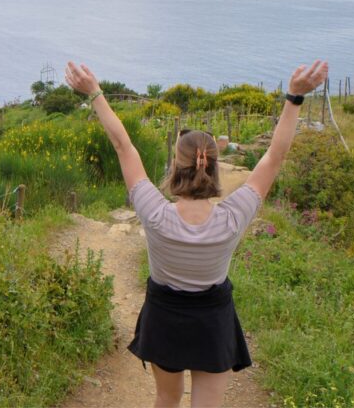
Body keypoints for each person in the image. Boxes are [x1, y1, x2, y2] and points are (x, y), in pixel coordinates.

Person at [65, 60, 328, 408]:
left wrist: (95, 93)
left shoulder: (155, 213)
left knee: (166, 399)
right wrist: (294, 97)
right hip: (213, 321)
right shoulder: (232, 218)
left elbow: (123, 146)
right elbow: (275, 156)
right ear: (215, 167)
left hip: (164, 317)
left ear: (176, 165)